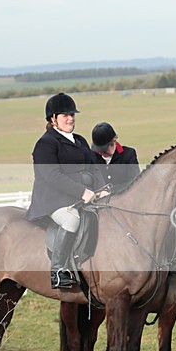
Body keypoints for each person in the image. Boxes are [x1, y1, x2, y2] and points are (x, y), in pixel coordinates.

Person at [24, 93, 107, 289]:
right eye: (65, 115)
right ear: (53, 119)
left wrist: (102, 189)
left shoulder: (79, 140)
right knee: (72, 219)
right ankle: (58, 270)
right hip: (53, 200)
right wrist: (82, 192)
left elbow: (94, 167)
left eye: (72, 114)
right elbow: (52, 176)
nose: (70, 118)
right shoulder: (45, 144)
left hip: (80, 197)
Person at [90, 122, 140, 191]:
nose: (101, 153)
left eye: (104, 150)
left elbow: (135, 183)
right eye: (99, 150)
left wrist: (109, 190)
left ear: (114, 141)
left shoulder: (128, 155)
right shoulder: (91, 156)